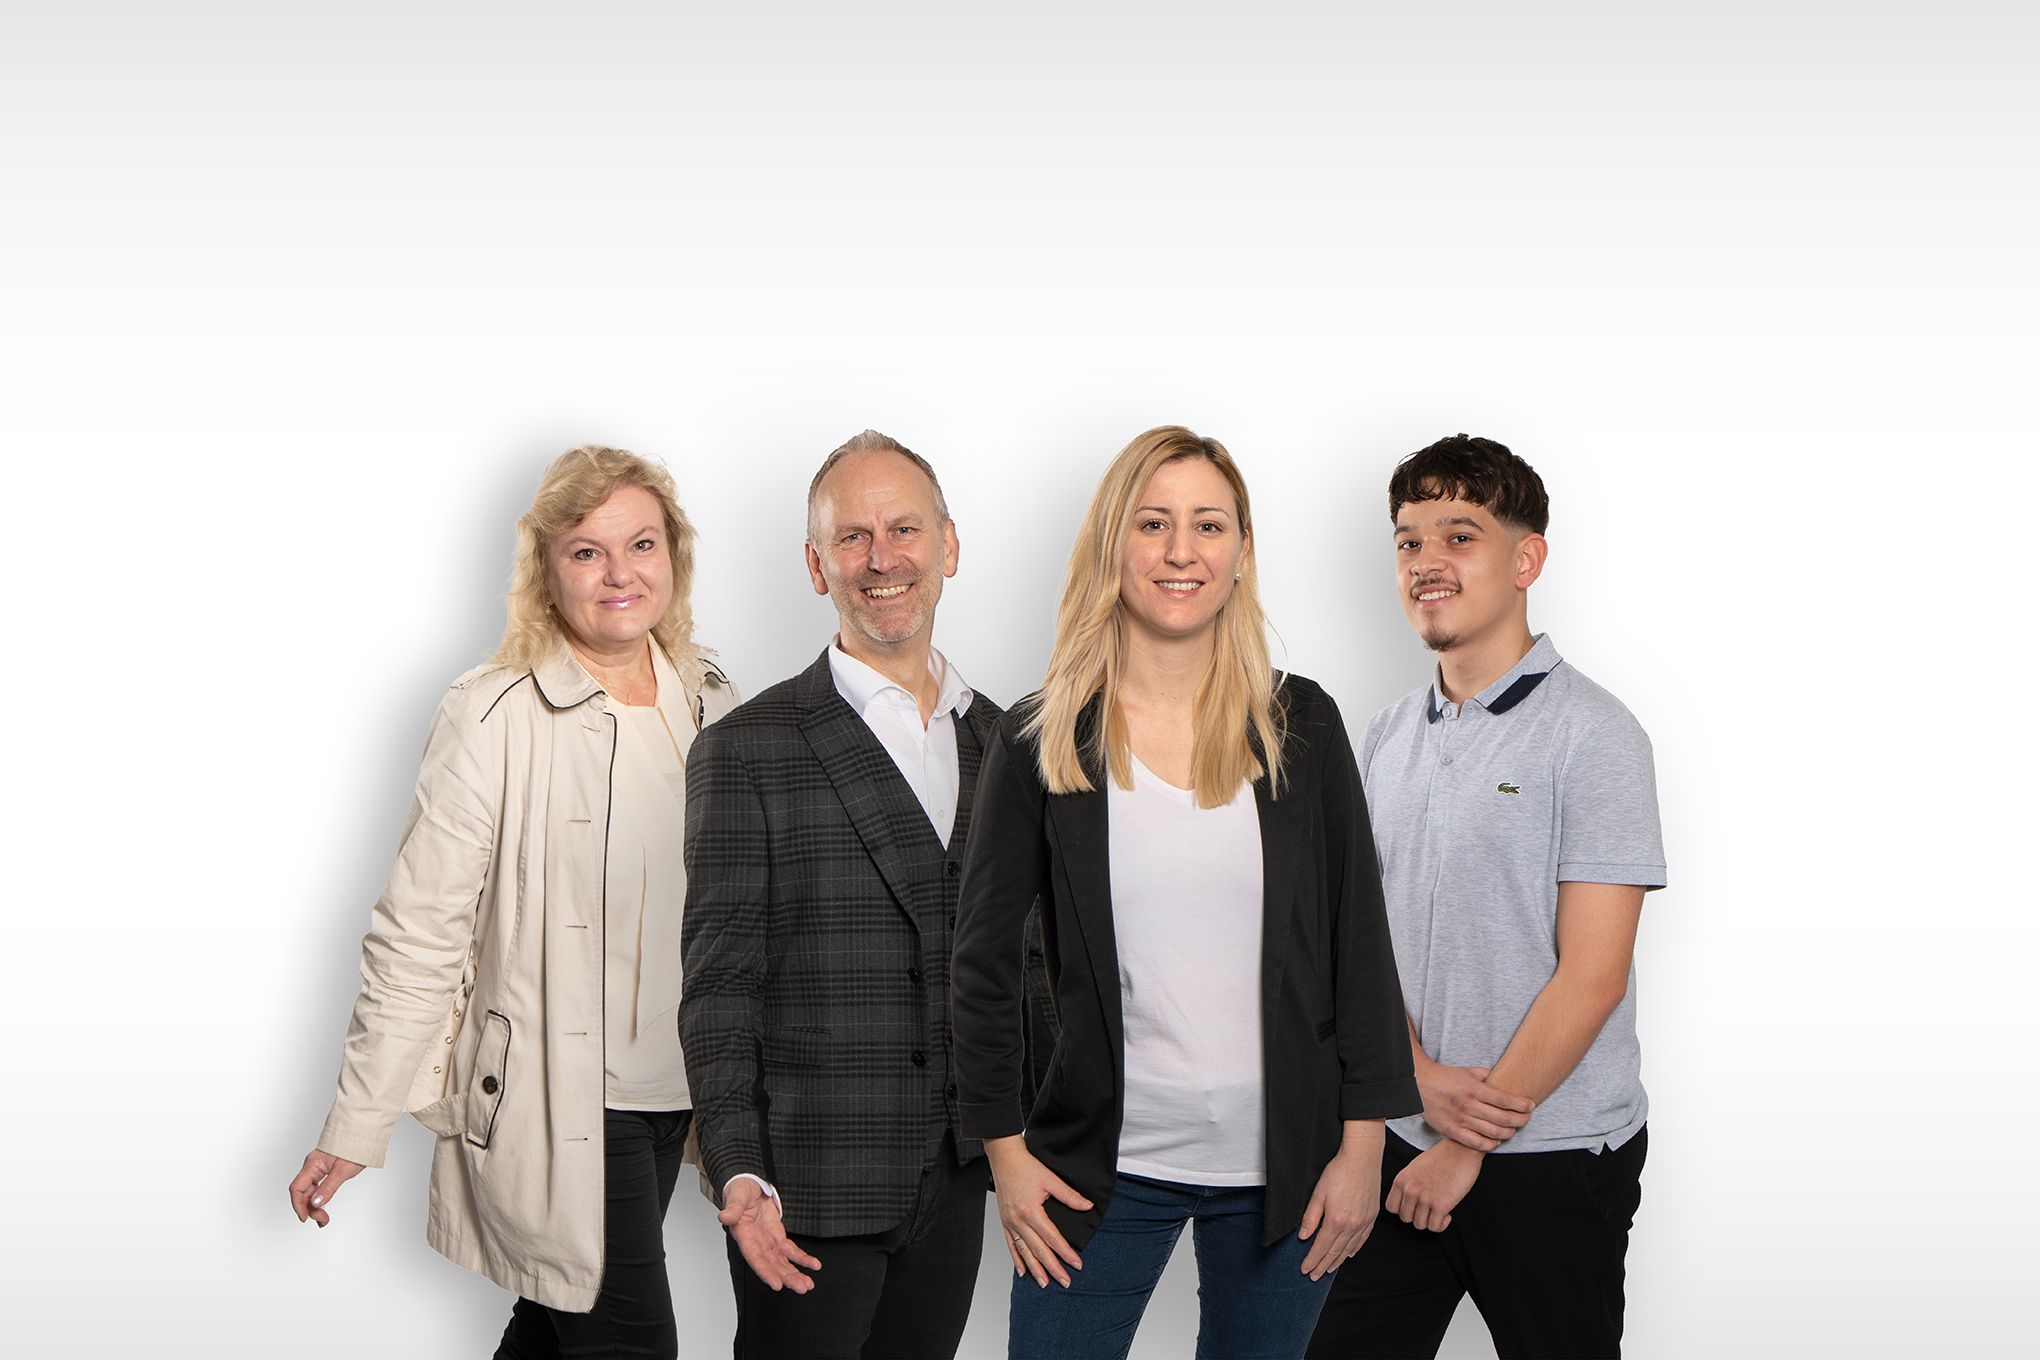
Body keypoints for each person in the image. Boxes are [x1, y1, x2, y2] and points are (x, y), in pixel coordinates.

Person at [951, 425, 1421, 1360]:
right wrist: (1005, 1153)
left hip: (1290, 1168)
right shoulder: (1040, 737)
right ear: (1113, 545)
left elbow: (1359, 944)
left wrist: (1365, 1145)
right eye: (1153, 522)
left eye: (1208, 525)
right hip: (1098, 1169)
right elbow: (983, 966)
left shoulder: (1302, 722)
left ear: (1241, 551)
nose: (1180, 551)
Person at [287, 446, 739, 1359]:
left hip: (681, 1091)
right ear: (546, 569)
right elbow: (420, 933)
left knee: (553, 1321)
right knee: (629, 1341)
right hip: (561, 1102)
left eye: (642, 545)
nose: (620, 574)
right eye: (587, 551)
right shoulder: (492, 713)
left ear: (674, 557)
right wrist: (357, 1121)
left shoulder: (712, 700)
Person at [1306, 435, 1668, 1360]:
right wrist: (1415, 1077)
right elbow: (1353, 942)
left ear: (1526, 559)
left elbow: (1594, 974)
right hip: (1397, 1141)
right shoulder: (1384, 736)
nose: (1426, 561)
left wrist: (1467, 1147)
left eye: (1459, 536)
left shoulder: (1596, 735)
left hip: (1554, 1158)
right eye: (1408, 540)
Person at [679, 430, 1001, 1360]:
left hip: (961, 1180)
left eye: (904, 529)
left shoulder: (1006, 742)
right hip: (804, 1192)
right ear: (817, 566)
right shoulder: (746, 749)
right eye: (852, 537)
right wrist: (738, 1170)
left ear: (949, 546)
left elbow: (1030, 965)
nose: (882, 558)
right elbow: (718, 987)